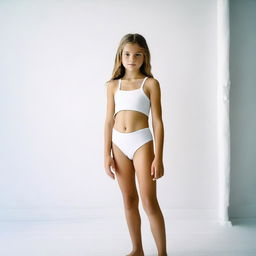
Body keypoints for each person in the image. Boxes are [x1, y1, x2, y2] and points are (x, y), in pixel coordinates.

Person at [104, 33, 167, 256]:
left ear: (144, 57)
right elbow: (108, 120)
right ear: (120, 56)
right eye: (127, 54)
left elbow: (158, 122)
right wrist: (106, 154)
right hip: (118, 144)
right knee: (129, 199)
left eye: (137, 54)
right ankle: (137, 249)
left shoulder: (150, 83)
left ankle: (162, 253)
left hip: (142, 142)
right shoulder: (113, 85)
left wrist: (158, 157)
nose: (132, 58)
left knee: (149, 201)